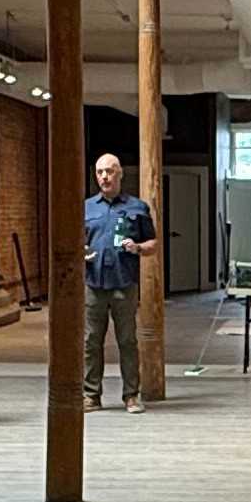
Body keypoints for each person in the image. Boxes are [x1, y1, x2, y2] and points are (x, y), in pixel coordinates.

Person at [80, 151, 158, 408]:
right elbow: (75, 241)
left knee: (127, 341)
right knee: (91, 342)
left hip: (124, 284)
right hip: (95, 285)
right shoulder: (87, 207)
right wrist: (82, 252)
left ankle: (131, 395)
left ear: (119, 174)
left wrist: (137, 247)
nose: (104, 176)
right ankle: (91, 394)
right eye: (100, 172)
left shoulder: (137, 207)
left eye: (109, 171)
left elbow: (153, 243)